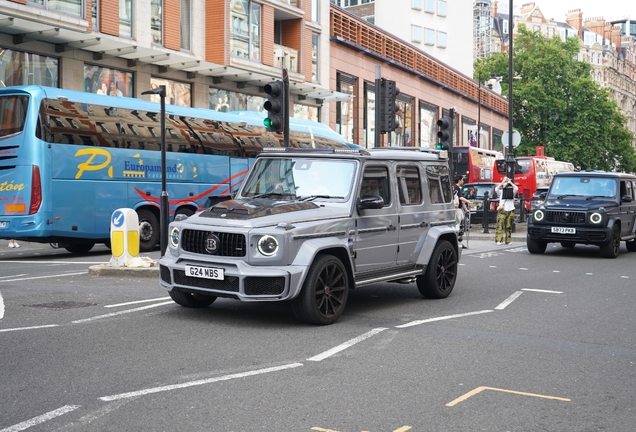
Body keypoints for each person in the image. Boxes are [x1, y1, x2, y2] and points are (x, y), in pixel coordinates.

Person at [495, 176, 519, 245]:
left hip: (510, 209)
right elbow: (496, 189)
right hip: (503, 209)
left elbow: (516, 188)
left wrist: (510, 182)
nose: (506, 184)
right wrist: (502, 182)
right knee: (500, 225)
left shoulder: (512, 192)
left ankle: (508, 240)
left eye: (506, 183)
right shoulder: (501, 191)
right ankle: (499, 240)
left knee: (509, 226)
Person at [454, 176, 470, 247]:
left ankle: (460, 242)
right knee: (457, 226)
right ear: (459, 180)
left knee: (460, 226)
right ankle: (458, 243)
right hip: (457, 209)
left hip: (460, 209)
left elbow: (461, 201)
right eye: (462, 180)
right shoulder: (456, 188)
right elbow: (460, 198)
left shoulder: (458, 188)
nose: (463, 181)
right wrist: (468, 201)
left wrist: (465, 209)